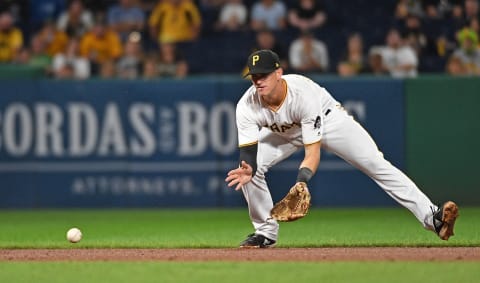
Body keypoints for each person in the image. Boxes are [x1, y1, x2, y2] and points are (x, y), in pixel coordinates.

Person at [225, 49, 459, 248]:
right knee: (247, 172)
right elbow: (248, 154)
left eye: (264, 74)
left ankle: (433, 218)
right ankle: (265, 233)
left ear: (278, 72)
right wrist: (250, 167)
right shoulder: (246, 105)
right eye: (254, 76)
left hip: (329, 122)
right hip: (282, 133)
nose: (258, 80)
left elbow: (312, 152)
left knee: (375, 163)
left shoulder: (302, 94)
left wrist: (301, 181)